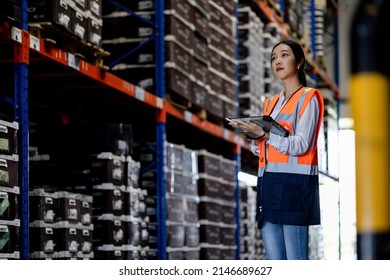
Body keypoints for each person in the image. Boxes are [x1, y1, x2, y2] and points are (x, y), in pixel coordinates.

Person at [228, 40, 324, 260]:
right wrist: (253, 136)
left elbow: (302, 145)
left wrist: (266, 136)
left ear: (299, 62)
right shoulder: (271, 103)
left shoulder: (309, 98)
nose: (277, 61)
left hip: (294, 188)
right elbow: (265, 150)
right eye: (273, 57)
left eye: (284, 55)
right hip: (269, 185)